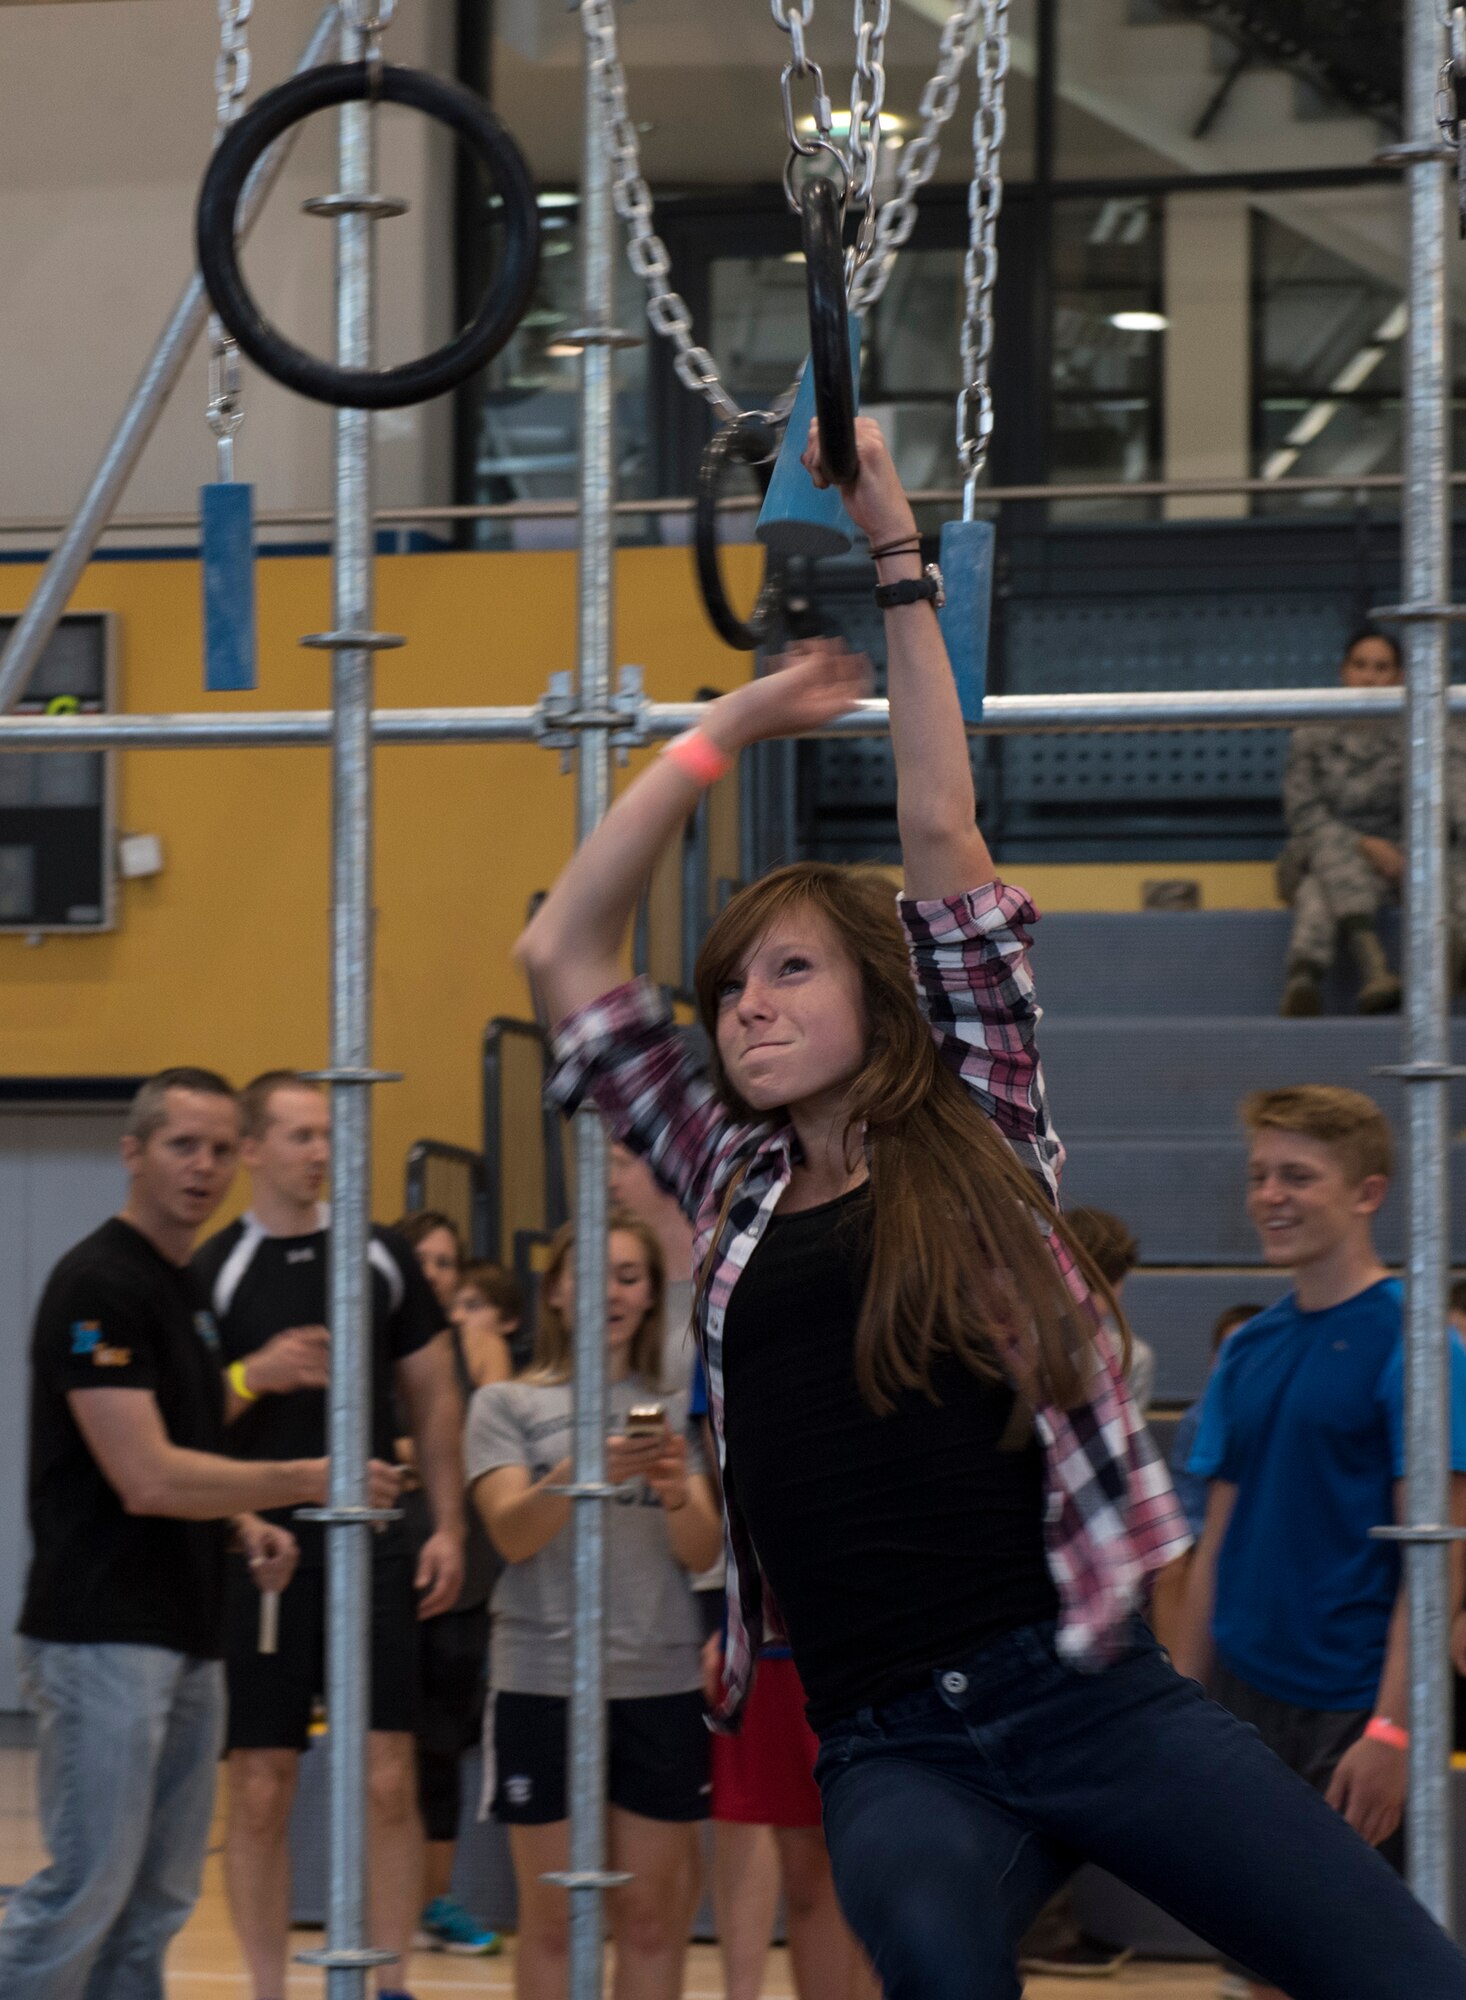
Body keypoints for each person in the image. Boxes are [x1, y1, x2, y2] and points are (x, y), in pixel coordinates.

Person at [513, 413, 1466, 2000]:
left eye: (790, 970)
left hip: (1090, 1693)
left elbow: (941, 827)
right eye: (731, 981)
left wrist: (896, 553)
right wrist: (723, 729)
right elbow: (563, 952)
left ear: (882, 1001)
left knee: (1405, 1977)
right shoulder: (720, 1173)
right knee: (940, 1964)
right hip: (893, 1743)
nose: (745, 1004)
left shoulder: (976, 1120)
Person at [0, 1067, 396, 2000]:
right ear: (133, 1153)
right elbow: (145, 1477)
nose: (204, 1167)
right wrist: (309, 1479)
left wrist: (240, 1523)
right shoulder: (98, 1285)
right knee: (85, 1891)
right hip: (100, 1636)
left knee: (156, 1905)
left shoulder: (186, 1289)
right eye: (183, 1146)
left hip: (186, 1632)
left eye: (221, 1149)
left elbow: (184, 1450)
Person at [1176, 1085, 1466, 1999]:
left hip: (1351, 1708)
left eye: (1299, 1176)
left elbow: (1441, 1550)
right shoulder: (1248, 1348)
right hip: (1241, 1705)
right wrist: (1180, 1710)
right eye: (1261, 1175)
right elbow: (1213, 1548)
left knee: (1363, 1969)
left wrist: (1395, 1724)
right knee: (1264, 1962)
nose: (1271, 1195)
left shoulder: (1418, 1344)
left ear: (1368, 1193)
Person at [192, 1072, 467, 2000]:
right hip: (262, 1561)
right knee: (262, 1782)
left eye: (329, 1135)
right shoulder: (215, 1268)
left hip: (375, 1548)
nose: (319, 1153)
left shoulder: (380, 1256)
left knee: (389, 1773)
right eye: (299, 1136)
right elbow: (175, 1429)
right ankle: (268, 1987)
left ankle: (389, 1983)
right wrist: (251, 1377)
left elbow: (434, 1396)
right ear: (255, 1151)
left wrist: (447, 1526)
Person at [467, 1213, 722, 2000]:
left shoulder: (677, 1405)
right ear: (553, 1292)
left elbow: (705, 1551)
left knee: (650, 1917)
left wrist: (677, 1491)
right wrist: (582, 1468)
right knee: (553, 1919)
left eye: (629, 1276)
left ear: (650, 1296)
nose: (609, 1293)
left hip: (658, 1681)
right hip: (543, 1681)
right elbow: (510, 1534)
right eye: (590, 1274)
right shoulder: (506, 1403)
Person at [394, 1213, 512, 1958]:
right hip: (383, 1573)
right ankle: (381, 1902)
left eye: (445, 1262)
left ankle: (434, 1903)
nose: (434, 1273)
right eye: (421, 1260)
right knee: (387, 1753)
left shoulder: (477, 1349)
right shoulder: (366, 1342)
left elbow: (491, 1432)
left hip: (463, 1582)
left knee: (441, 1751)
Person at [1276, 624, 1466, 1017]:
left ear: (1399, 676)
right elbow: (1304, 815)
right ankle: (1373, 966)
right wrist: (1364, 844)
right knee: (1329, 851)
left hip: (1400, 863)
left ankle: (1306, 976)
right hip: (1318, 852)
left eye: (1382, 667)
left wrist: (1407, 854)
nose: (1370, 676)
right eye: (1361, 665)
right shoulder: (1312, 734)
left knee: (1319, 889)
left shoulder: (1422, 732)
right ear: (1343, 671)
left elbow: (1443, 809)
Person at [1168, 1301, 1263, 1541]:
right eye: (1231, 1353)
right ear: (1214, 1363)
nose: (1242, 1365)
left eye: (1254, 1353)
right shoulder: (1196, 1422)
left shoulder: (1295, 1420)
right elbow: (1188, 1515)